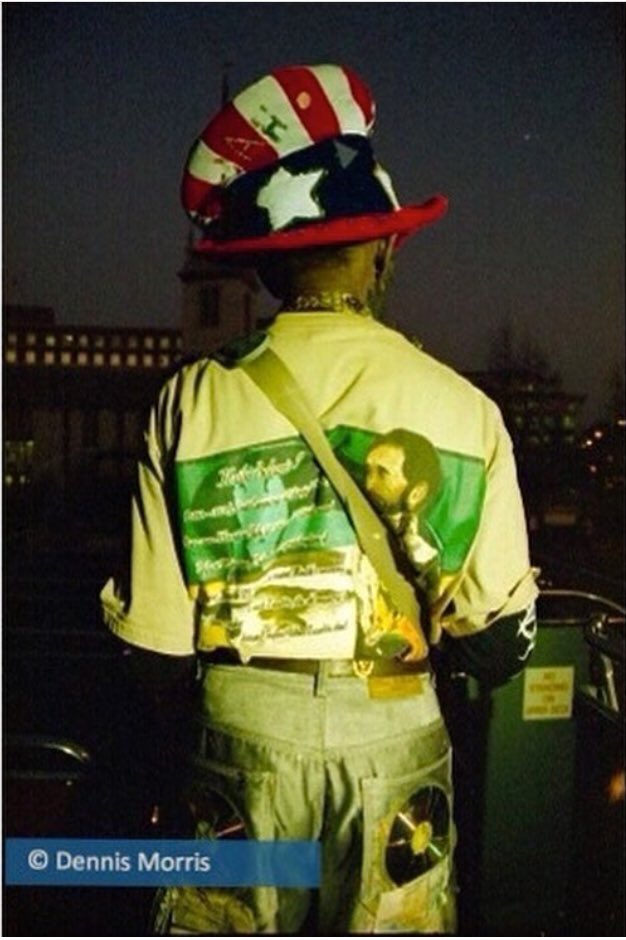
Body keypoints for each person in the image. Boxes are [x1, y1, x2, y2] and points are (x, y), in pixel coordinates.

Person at [101, 63, 538, 935]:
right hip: (397, 741)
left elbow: (153, 653)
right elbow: (497, 645)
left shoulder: (188, 403)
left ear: (265, 272)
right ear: (382, 251)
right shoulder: (464, 410)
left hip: (239, 748)